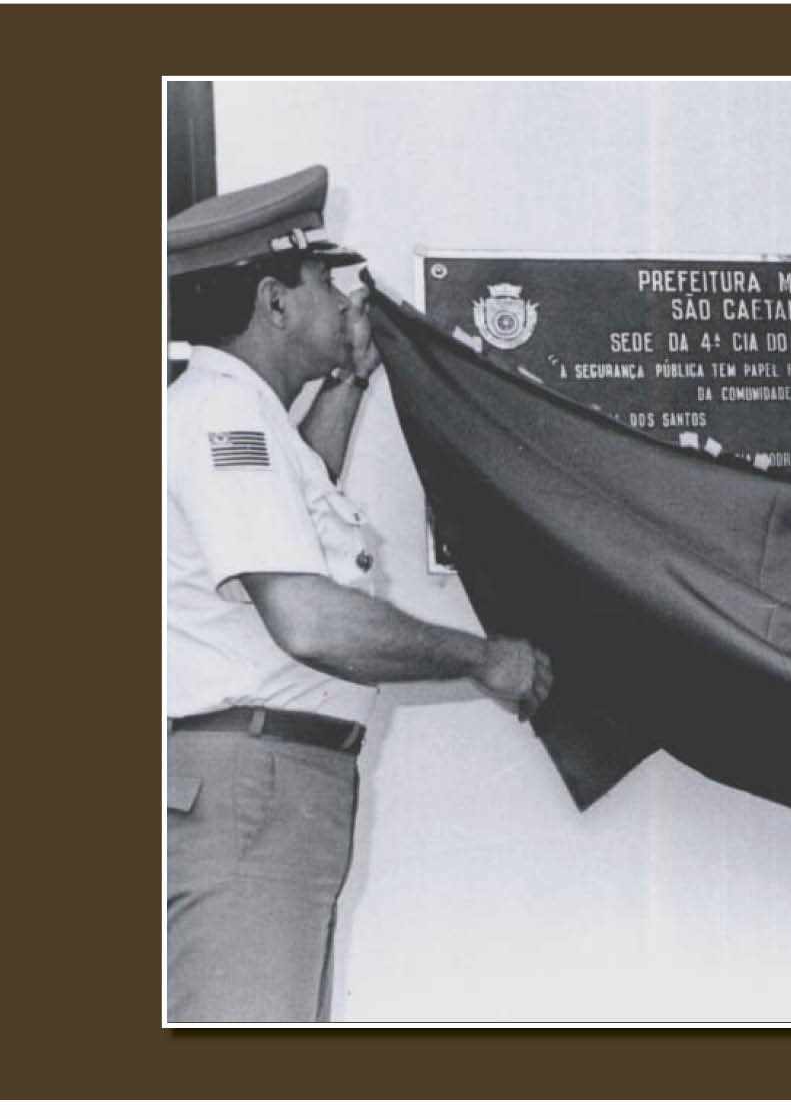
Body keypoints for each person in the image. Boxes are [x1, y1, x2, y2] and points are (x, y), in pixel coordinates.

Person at [166, 166, 554, 1022]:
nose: (345, 302)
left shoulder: (245, 419)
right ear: (274, 302)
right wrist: (481, 658)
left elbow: (296, 516)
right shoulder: (225, 418)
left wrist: (349, 380)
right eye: (325, 281)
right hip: (257, 784)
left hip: (266, 782)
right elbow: (308, 620)